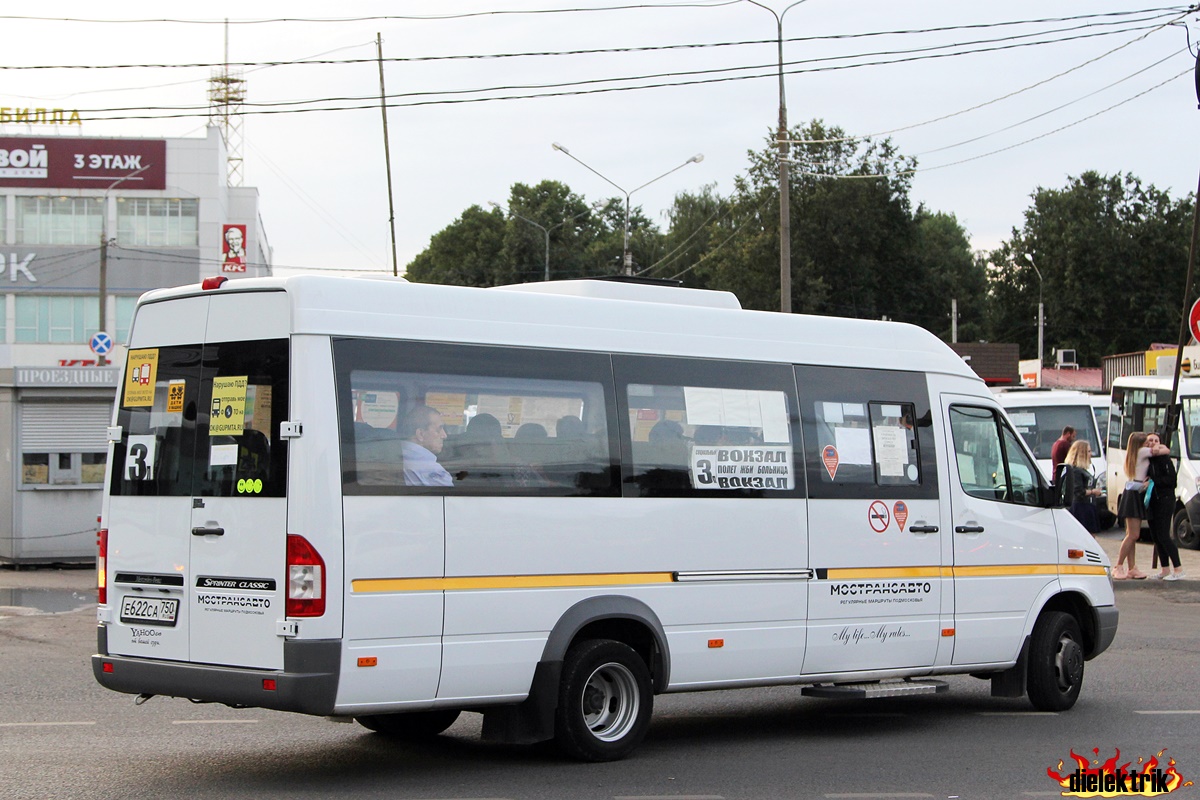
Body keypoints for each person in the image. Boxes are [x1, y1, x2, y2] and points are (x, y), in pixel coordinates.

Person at [1114, 431, 1168, 579]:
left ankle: (1132, 567)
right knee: (1133, 534)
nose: (1149, 444)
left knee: (1131, 534)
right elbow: (1166, 450)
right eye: (1146, 442)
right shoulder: (1143, 452)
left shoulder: (1134, 453)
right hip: (1134, 494)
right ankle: (1118, 565)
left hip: (1134, 491)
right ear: (1140, 444)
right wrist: (1158, 446)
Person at [1144, 431, 1185, 580]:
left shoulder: (1164, 459)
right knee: (1155, 535)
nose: (1153, 443)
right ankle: (1165, 568)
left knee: (1163, 534)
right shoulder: (1146, 459)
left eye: (1156, 440)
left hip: (1165, 499)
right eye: (1150, 440)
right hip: (1152, 501)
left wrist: (1153, 481)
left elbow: (1171, 481)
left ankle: (1178, 568)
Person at [399, 405, 453, 487]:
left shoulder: (397, 454)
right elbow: (450, 497)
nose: (444, 435)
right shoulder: (429, 468)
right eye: (439, 429)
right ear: (420, 434)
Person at [1060, 439, 1102, 533]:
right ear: (1082, 453)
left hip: (1087, 505)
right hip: (1080, 507)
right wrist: (1093, 491)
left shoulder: (1082, 470)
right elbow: (1078, 491)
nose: (1091, 454)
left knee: (1091, 537)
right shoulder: (1075, 471)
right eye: (1089, 451)